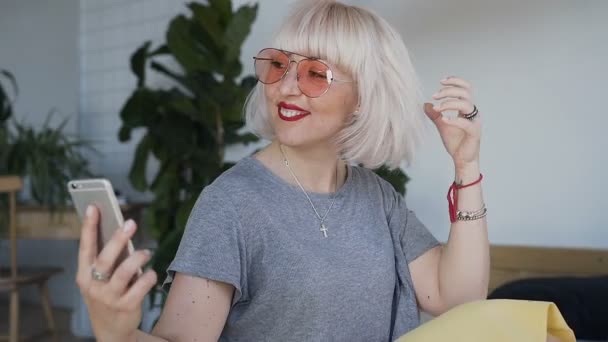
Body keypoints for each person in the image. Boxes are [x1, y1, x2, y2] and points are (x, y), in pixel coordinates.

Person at [76, 1, 490, 341]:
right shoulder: (231, 203)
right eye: (278, 65)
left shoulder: (378, 198)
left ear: (364, 97)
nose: (287, 86)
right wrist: (118, 334)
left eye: (315, 73)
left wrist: (466, 167)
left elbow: (456, 297)